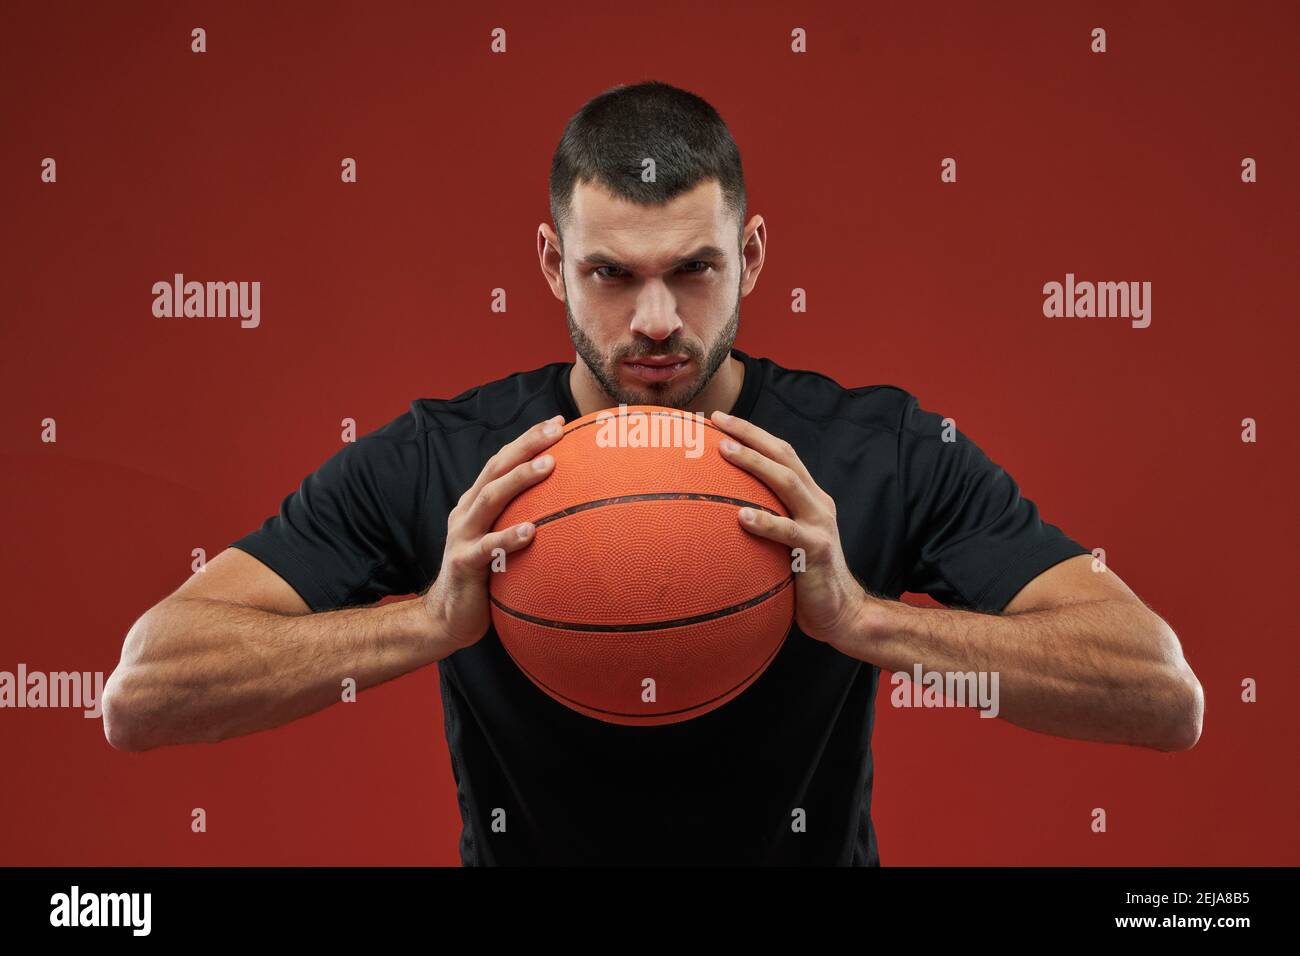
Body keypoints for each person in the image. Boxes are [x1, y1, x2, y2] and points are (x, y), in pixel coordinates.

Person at [102, 80, 1203, 865]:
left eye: (695, 269)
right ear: (551, 263)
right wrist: (425, 621)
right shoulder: (450, 459)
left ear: (753, 254)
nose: (658, 321)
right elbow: (143, 695)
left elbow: (1160, 695)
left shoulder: (882, 451)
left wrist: (868, 620)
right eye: (610, 275)